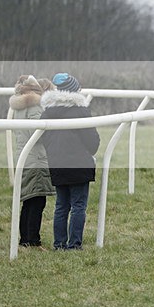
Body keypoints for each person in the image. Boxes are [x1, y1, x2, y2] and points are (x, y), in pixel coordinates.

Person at [40, 73, 101, 251]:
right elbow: (92, 141)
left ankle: (59, 244)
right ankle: (74, 245)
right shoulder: (80, 111)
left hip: (57, 163)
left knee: (61, 206)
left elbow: (44, 138)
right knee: (78, 206)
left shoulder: (47, 112)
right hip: (79, 164)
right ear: (75, 90)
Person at [9, 75, 56, 250]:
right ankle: (32, 240)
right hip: (36, 158)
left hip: (25, 156)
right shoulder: (35, 104)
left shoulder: (19, 105)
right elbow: (37, 132)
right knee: (37, 201)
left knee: (29, 201)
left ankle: (25, 239)